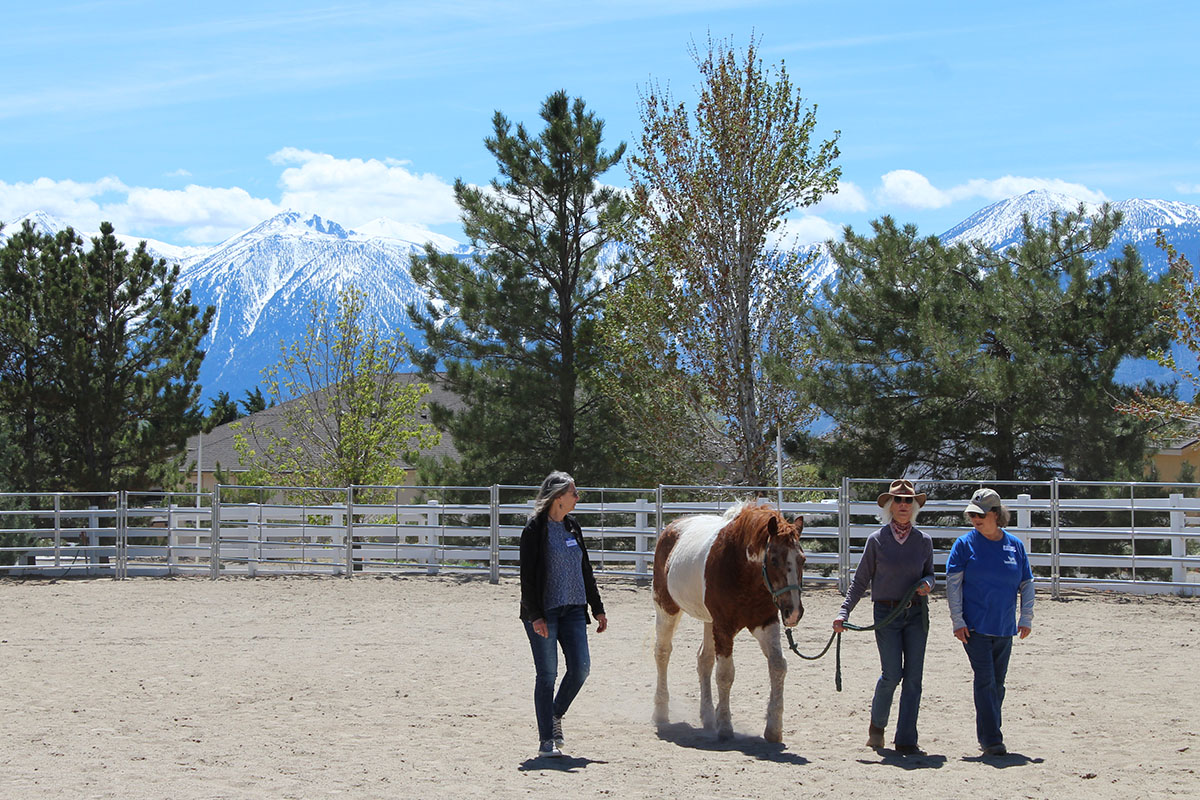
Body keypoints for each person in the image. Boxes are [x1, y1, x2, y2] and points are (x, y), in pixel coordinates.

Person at [833, 478, 935, 755]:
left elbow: (930, 573)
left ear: (914, 506)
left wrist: (928, 584)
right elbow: (860, 581)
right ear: (890, 506)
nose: (903, 505)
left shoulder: (923, 541)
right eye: (898, 501)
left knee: (914, 678)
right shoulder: (876, 541)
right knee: (891, 675)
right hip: (886, 613)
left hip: (916, 614)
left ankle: (906, 738)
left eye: (908, 501)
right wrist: (844, 613)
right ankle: (877, 729)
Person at [519, 471, 608, 758]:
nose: (577, 497)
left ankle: (555, 714)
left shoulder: (572, 526)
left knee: (581, 668)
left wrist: (598, 607)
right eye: (573, 492)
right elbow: (527, 578)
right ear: (558, 497)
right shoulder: (535, 530)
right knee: (547, 675)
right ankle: (546, 740)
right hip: (545, 612)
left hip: (573, 609)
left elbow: (585, 570)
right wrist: (536, 616)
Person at [946, 488, 1035, 757]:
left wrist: (1026, 616)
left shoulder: (1014, 546)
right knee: (985, 680)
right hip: (974, 627)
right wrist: (957, 620)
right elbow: (953, 585)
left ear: (995, 514)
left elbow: (1026, 583)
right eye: (972, 514)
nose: (975, 519)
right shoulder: (964, 545)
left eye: (980, 514)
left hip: (1005, 626)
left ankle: (990, 731)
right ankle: (992, 739)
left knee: (998, 683)